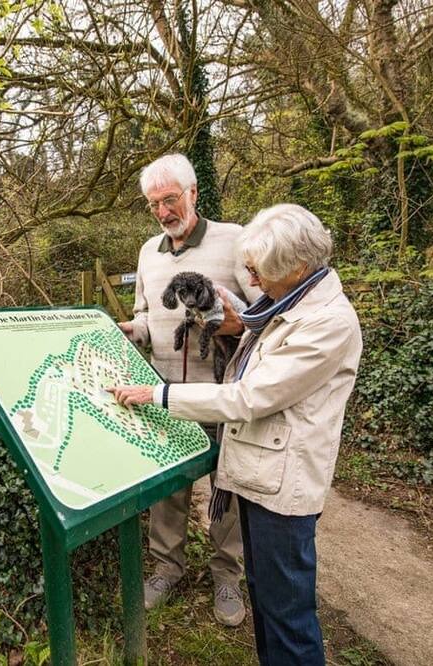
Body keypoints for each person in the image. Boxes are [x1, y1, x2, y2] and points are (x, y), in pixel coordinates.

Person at [110, 203, 363, 665]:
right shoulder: (290, 303)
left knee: (288, 615)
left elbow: (248, 396)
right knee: (268, 601)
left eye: (258, 271)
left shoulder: (326, 323)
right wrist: (239, 324)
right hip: (263, 473)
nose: (253, 281)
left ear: (297, 266)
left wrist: (159, 395)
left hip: (283, 487)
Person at [118, 153, 260, 624]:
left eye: (170, 199)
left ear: (193, 193)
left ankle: (226, 576)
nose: (163, 212)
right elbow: (146, 316)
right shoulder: (146, 252)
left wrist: (232, 326)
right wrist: (128, 330)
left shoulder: (235, 240)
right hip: (162, 394)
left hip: (221, 395)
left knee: (226, 486)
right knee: (167, 490)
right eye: (153, 203)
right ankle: (166, 567)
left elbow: (265, 318)